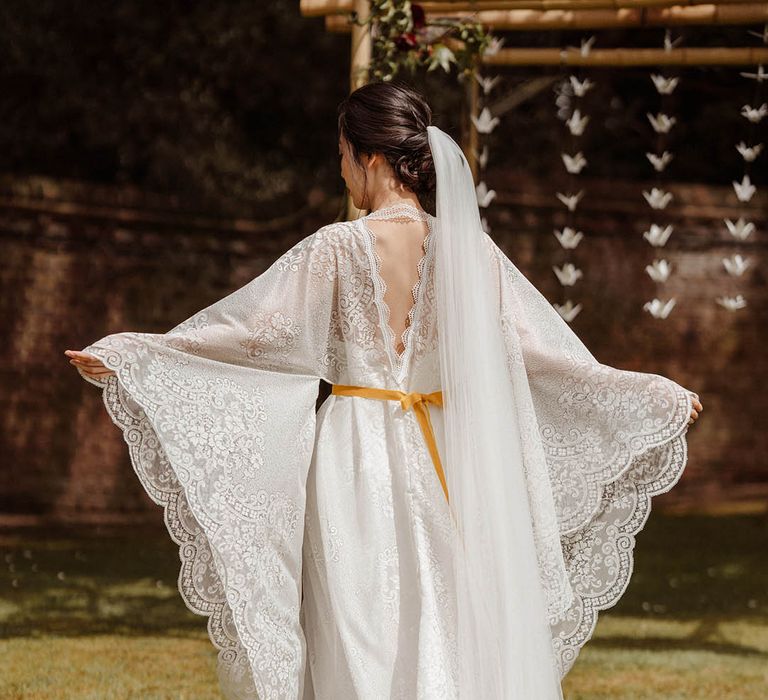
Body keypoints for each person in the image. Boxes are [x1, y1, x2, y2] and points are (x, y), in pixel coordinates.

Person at [65, 80, 702, 700]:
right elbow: (540, 355)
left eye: (343, 156)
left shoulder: (337, 248)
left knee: (359, 620)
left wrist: (142, 353)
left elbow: (253, 334)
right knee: (445, 611)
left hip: (355, 451)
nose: (341, 172)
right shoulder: (470, 253)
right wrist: (647, 392)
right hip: (448, 454)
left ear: (370, 156)